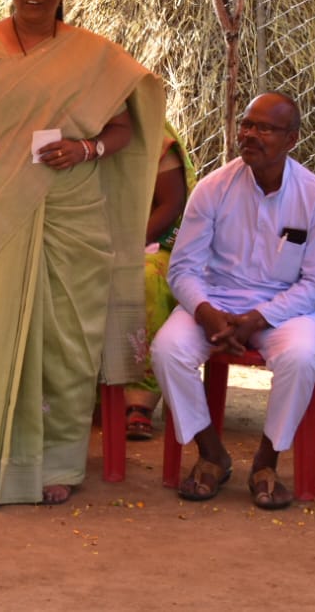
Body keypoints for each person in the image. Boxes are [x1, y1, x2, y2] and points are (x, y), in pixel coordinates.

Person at [0, 0, 165, 506]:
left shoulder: (91, 55)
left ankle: (56, 462)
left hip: (70, 214)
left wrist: (86, 148)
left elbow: (125, 131)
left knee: (64, 343)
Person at [152, 94, 315, 508]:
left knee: (301, 356)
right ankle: (211, 453)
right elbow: (182, 269)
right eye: (247, 125)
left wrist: (260, 317)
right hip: (214, 300)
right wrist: (205, 313)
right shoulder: (213, 188)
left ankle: (265, 462)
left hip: (285, 308)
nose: (250, 135)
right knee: (167, 350)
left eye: (265, 129)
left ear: (291, 139)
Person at [122, 122, 195, 440]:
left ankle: (139, 400)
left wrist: (128, 245)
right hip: (91, 239)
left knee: (146, 279)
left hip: (153, 244)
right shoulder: (72, 130)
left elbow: (170, 204)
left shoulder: (158, 142)